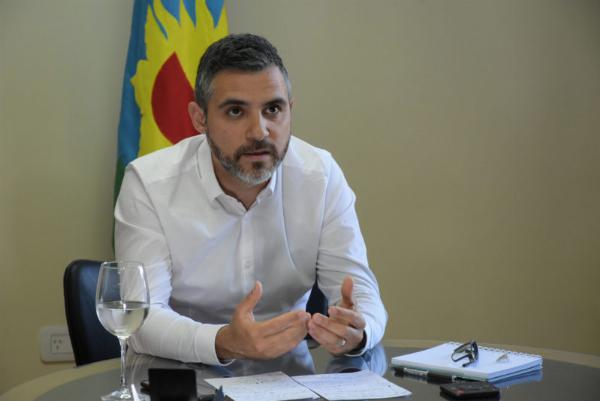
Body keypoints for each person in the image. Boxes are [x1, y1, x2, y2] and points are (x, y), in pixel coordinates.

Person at [115, 33, 387, 365]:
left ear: (290, 109)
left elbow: (362, 294)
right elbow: (141, 319)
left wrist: (358, 330)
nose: (259, 131)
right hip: (177, 375)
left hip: (291, 379)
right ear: (199, 118)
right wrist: (223, 342)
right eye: (235, 111)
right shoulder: (148, 184)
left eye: (273, 109)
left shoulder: (321, 175)